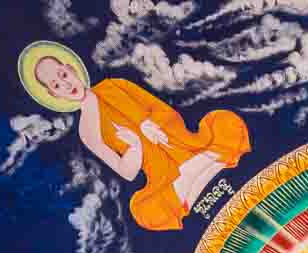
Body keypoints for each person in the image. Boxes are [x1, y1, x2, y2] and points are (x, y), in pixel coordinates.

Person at [19, 43, 249, 232]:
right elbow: (126, 172)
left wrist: (150, 123)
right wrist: (135, 146)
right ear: (52, 93)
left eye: (63, 74)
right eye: (57, 84)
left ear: (72, 68)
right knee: (146, 213)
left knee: (225, 123)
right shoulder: (87, 131)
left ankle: (195, 177)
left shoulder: (114, 85)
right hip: (162, 174)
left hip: (181, 144)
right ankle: (205, 168)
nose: (66, 84)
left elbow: (164, 110)